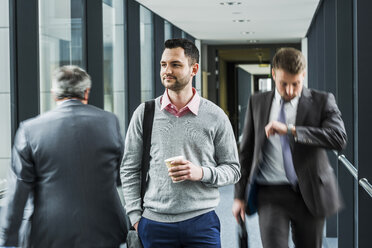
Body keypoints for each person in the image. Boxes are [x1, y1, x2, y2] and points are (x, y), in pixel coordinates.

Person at [121, 38, 241, 248]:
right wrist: (135, 217)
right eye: (163, 64)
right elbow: (129, 168)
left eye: (175, 64)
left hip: (202, 222)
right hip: (154, 223)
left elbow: (233, 169)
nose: (167, 70)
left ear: (194, 69)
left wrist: (201, 173)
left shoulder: (215, 116)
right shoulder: (144, 113)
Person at [0, 65, 128, 247]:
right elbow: (121, 176)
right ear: (86, 92)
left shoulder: (30, 130)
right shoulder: (109, 122)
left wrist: (7, 239)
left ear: (54, 94)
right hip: (104, 230)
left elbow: (18, 190)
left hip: (48, 233)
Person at [232, 47, 347, 248]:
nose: (290, 90)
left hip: (309, 192)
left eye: (296, 84)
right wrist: (239, 196)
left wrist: (292, 130)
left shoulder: (322, 101)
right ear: (273, 74)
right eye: (283, 84)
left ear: (303, 75)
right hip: (270, 192)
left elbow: (338, 138)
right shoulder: (257, 102)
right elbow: (247, 151)